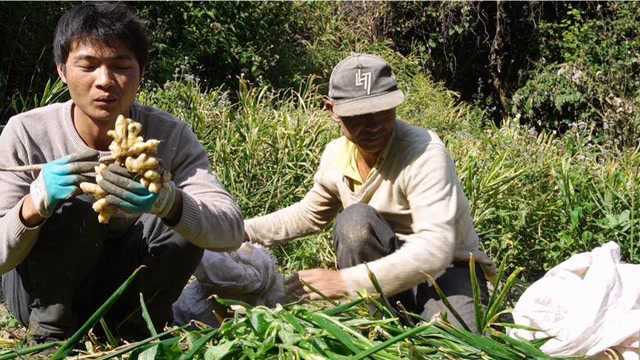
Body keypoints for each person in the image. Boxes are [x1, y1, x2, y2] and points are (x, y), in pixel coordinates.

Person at [0, 3, 243, 341]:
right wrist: (33, 206)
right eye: (87, 65)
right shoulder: (26, 132)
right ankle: (50, 333)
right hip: (38, 299)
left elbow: (231, 230)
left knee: (182, 215)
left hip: (125, 293)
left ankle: (134, 330)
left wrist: (170, 204)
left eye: (120, 66)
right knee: (72, 206)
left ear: (141, 71)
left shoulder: (169, 136)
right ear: (62, 70)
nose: (105, 81)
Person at [245, 53, 496, 330]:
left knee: (453, 345)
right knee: (355, 222)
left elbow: (435, 249)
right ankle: (376, 323)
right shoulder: (336, 156)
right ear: (331, 110)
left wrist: (343, 282)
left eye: (382, 111)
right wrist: (240, 231)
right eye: (358, 116)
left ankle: (413, 316)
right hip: (381, 271)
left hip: (446, 270)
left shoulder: (424, 152)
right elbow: (309, 214)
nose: (374, 125)